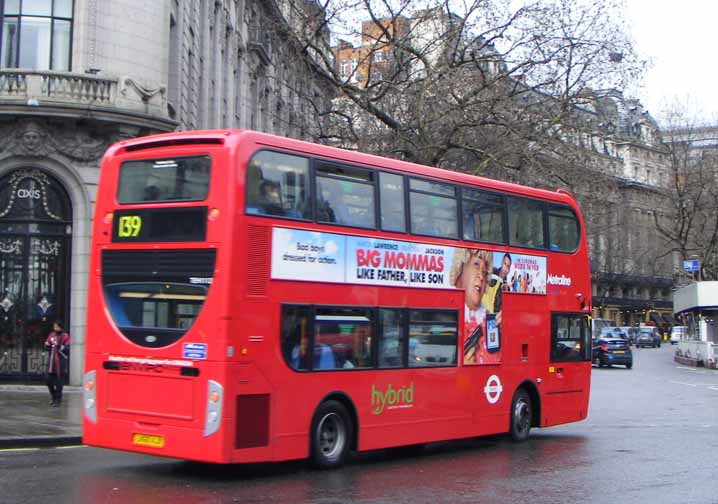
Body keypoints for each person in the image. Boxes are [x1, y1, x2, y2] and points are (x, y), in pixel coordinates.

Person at [450, 248, 501, 365]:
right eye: (476, 265)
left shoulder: (491, 320)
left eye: (484, 272)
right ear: (460, 268)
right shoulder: (447, 312)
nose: (481, 277)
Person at [45, 321, 70, 406]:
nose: (55, 328)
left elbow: (67, 349)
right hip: (51, 362)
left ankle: (58, 400)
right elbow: (47, 345)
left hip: (60, 362)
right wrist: (47, 345)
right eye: (54, 327)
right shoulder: (51, 335)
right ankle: (53, 396)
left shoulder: (65, 336)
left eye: (57, 327)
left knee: (59, 383)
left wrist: (58, 345)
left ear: (60, 327)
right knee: (48, 380)